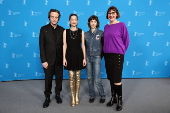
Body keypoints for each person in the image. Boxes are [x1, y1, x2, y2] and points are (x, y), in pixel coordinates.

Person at [103, 6, 130, 111]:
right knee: (110, 77)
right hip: (107, 55)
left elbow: (126, 40)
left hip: (118, 55)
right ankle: (113, 97)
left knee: (117, 78)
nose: (111, 15)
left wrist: (121, 51)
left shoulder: (121, 25)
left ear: (117, 14)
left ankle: (119, 100)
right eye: (109, 13)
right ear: (107, 15)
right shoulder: (106, 27)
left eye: (113, 13)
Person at [39, 9, 64, 108]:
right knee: (48, 79)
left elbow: (64, 46)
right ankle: (47, 97)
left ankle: (58, 95)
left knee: (59, 79)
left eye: (56, 17)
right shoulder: (43, 29)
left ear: (58, 18)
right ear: (49, 17)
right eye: (52, 17)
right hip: (48, 60)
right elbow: (42, 46)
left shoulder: (62, 30)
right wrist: (44, 61)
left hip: (59, 60)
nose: (54, 19)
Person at [63, 14, 86, 107]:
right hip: (69, 56)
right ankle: (72, 97)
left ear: (78, 21)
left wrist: (84, 58)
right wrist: (64, 58)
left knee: (78, 77)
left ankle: (77, 96)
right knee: (71, 78)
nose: (73, 21)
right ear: (69, 21)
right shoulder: (65, 31)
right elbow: (64, 45)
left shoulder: (81, 31)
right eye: (72, 20)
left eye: (75, 19)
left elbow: (83, 45)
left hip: (79, 56)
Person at [84, 15, 106, 103]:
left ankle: (102, 95)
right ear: (89, 23)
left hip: (97, 57)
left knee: (97, 79)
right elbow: (84, 47)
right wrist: (85, 58)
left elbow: (104, 45)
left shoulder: (101, 33)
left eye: (95, 21)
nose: (93, 23)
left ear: (97, 23)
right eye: (91, 21)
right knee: (89, 78)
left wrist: (100, 56)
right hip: (88, 58)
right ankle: (92, 95)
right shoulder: (85, 34)